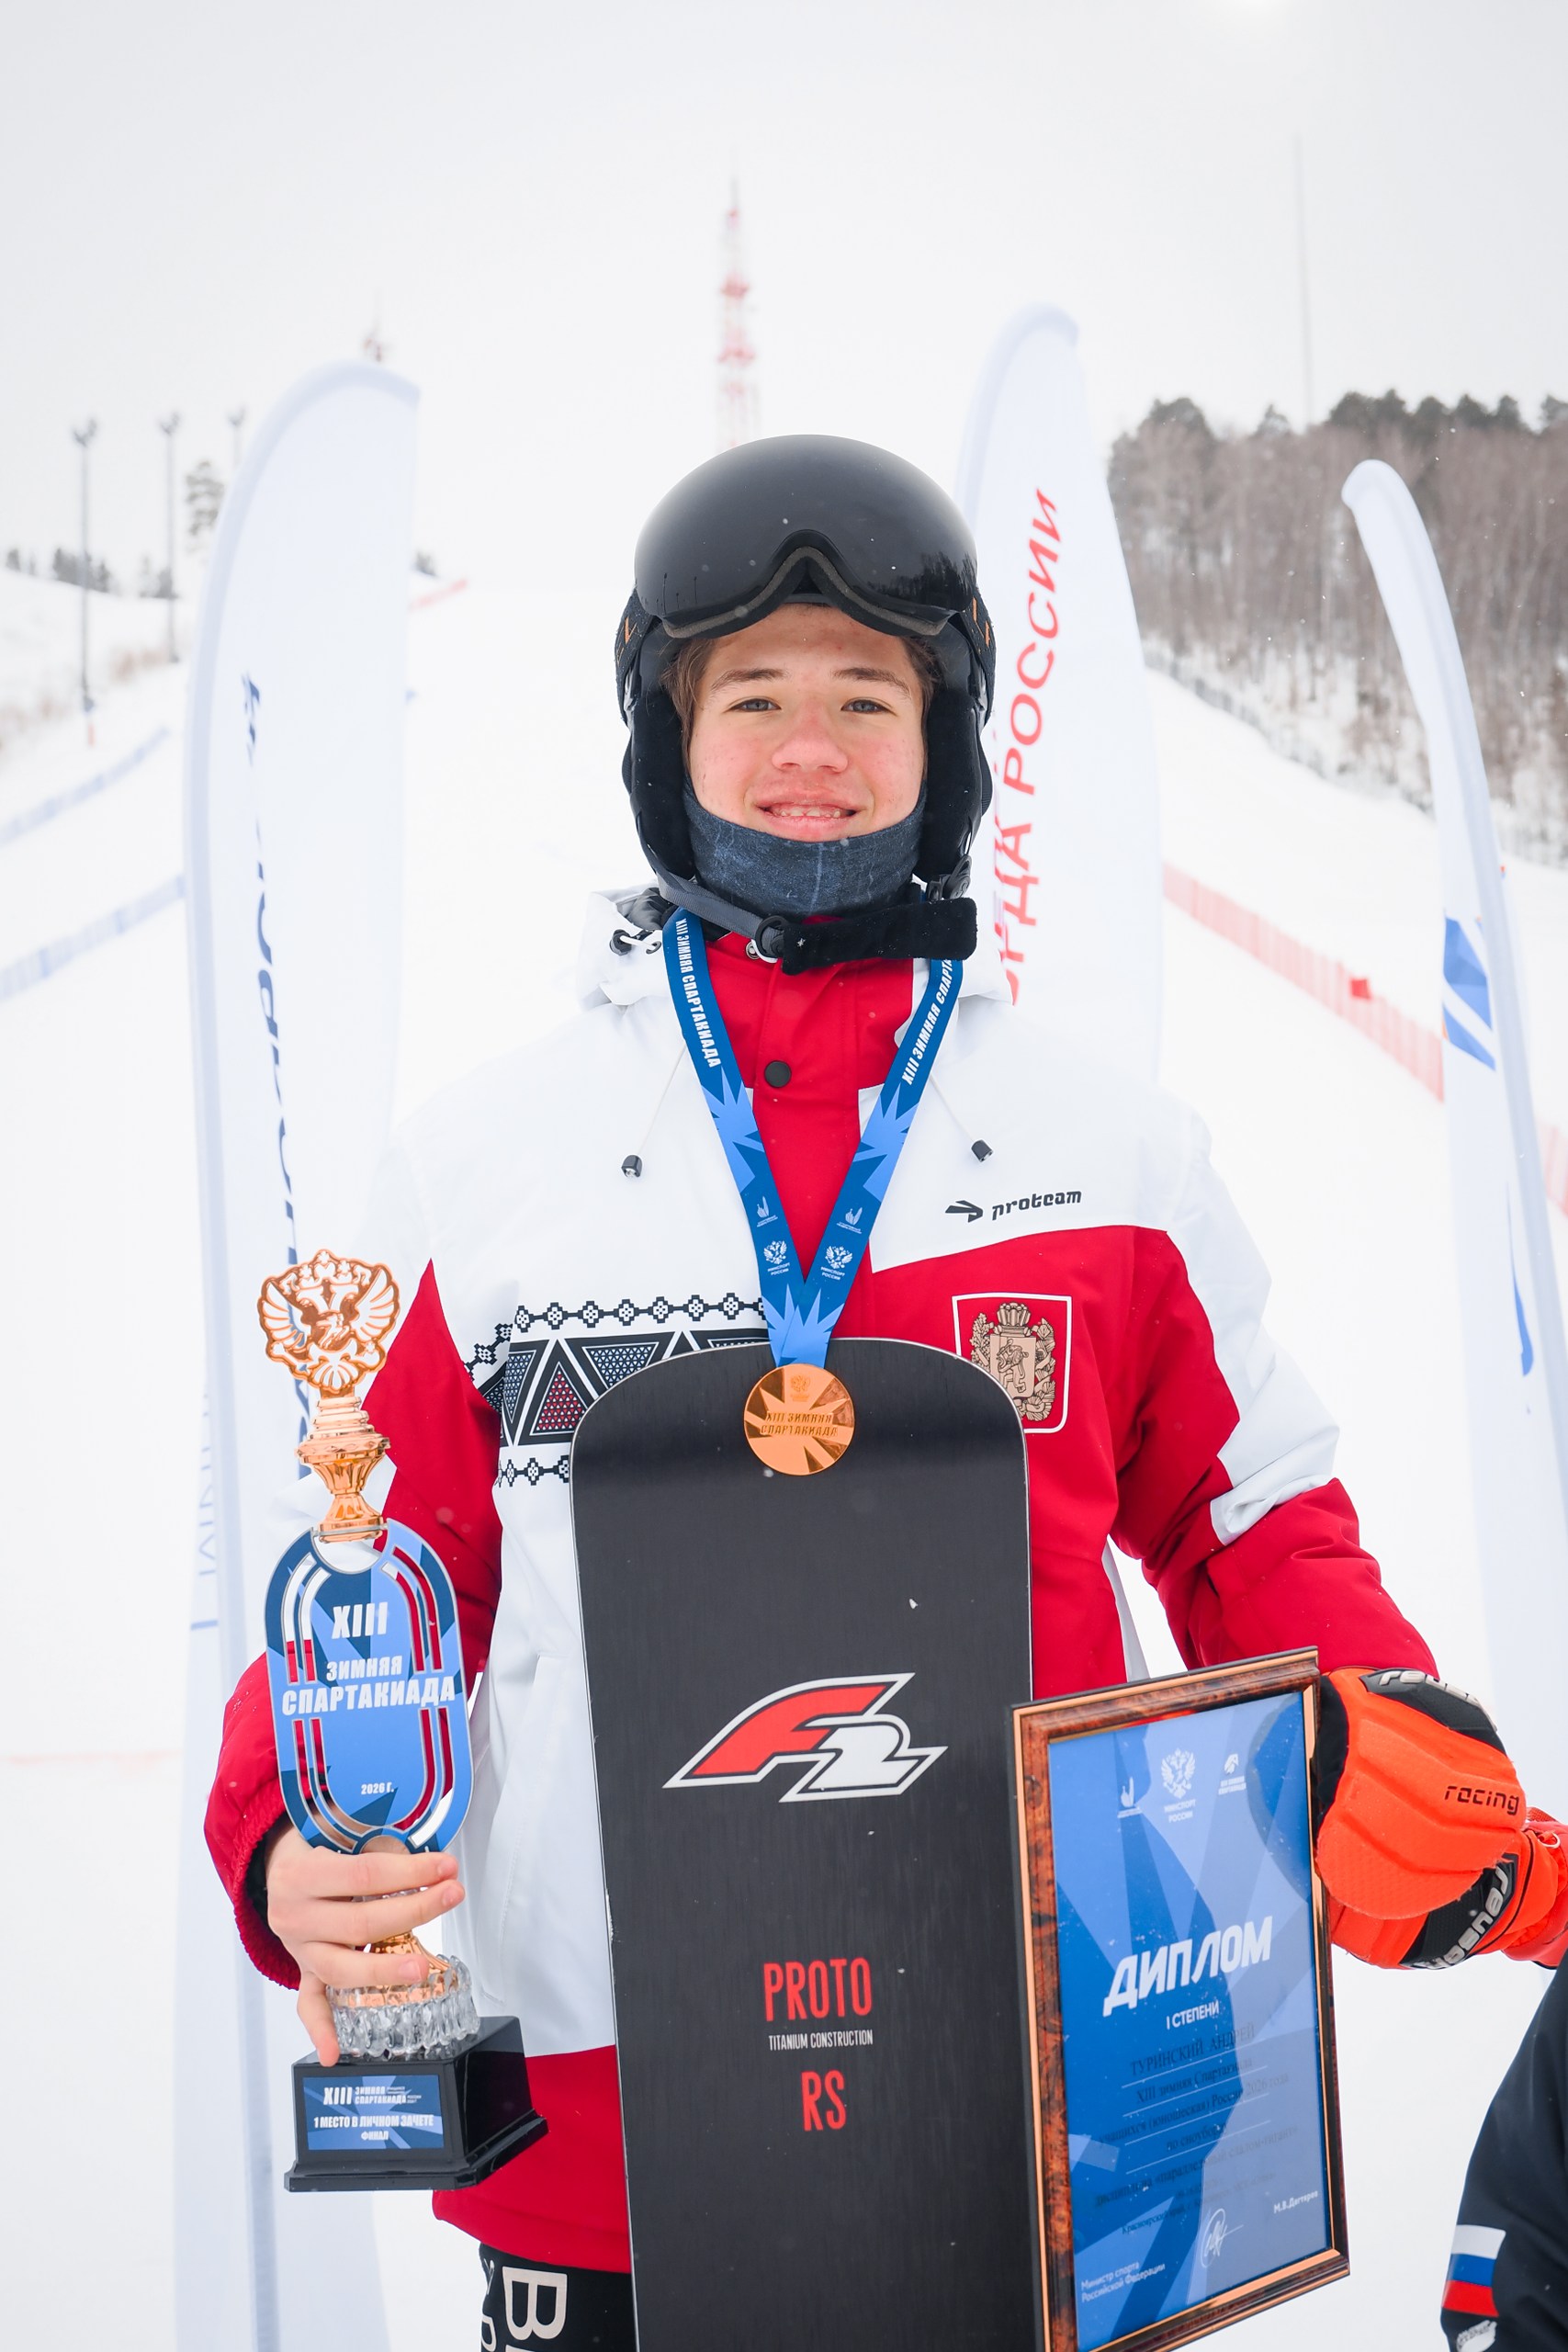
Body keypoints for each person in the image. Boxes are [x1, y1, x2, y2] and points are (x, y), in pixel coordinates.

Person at [207, 435, 1568, 2347]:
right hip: (609, 2150)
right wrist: (288, 1835)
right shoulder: (488, 1170)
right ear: (664, 741)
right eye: (751, 695)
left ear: (945, 743)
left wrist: (1372, 1710)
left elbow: (1248, 1512)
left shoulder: (1106, 1155)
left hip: (1040, 2109)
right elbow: (377, 1569)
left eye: (865, 696)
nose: (809, 747)